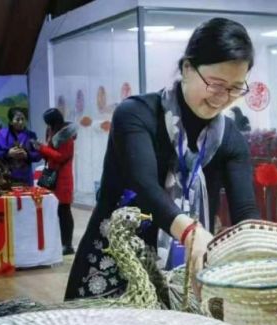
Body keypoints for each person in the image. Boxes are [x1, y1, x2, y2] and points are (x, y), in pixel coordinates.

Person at [65, 18, 259, 300]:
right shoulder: (136, 115)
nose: (223, 98)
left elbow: (246, 211)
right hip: (114, 259)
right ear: (187, 68)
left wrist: (260, 250)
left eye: (235, 88)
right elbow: (145, 187)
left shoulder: (229, 138)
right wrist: (190, 232)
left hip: (184, 271)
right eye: (216, 84)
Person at [32, 108, 77, 255]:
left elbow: (61, 157)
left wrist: (42, 148)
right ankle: (59, 242)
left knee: (64, 210)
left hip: (63, 178)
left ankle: (67, 245)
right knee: (54, 209)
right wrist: (41, 148)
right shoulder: (52, 131)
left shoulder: (66, 135)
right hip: (53, 174)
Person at [0, 108, 40, 186]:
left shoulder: (31, 135)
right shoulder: (2, 134)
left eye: (23, 119)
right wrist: (8, 153)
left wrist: (27, 155)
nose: (21, 122)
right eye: (17, 119)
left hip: (26, 179)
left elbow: (38, 155)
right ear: (11, 121)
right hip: (6, 178)